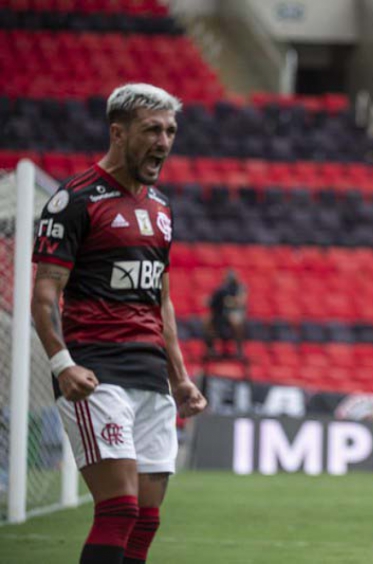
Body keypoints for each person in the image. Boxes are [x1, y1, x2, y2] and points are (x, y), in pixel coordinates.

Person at [31, 83, 206, 564]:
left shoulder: (161, 208)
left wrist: (179, 377)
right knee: (118, 510)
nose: (163, 142)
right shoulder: (75, 200)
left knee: (146, 519)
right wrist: (62, 364)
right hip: (96, 372)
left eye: (170, 131)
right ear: (118, 132)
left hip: (151, 376)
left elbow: (161, 301)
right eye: (152, 130)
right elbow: (44, 295)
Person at [203, 269, 247, 357]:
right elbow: (215, 300)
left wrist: (229, 301)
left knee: (235, 321)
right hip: (221, 312)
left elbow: (240, 301)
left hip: (235, 311)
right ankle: (210, 348)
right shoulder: (222, 288)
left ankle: (239, 349)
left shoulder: (240, 287)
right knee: (207, 321)